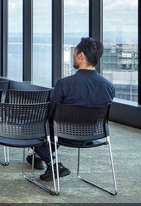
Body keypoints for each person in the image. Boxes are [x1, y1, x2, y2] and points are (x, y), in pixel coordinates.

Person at [29, 37, 115, 182]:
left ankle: (55, 164)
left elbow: (51, 114)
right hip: (93, 134)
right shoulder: (108, 86)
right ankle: (37, 157)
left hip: (65, 135)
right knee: (54, 128)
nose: (73, 56)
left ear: (81, 55)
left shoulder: (65, 84)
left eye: (74, 53)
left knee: (33, 127)